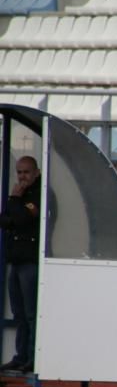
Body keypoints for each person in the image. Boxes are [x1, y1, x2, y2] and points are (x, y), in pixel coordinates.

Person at [0, 156, 43, 373]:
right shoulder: (19, 195)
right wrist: (15, 202)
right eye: (19, 172)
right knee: (18, 313)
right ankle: (20, 355)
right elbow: (6, 220)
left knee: (31, 313)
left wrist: (15, 200)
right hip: (16, 261)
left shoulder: (38, 193)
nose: (22, 177)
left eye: (26, 172)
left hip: (30, 262)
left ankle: (32, 358)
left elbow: (24, 218)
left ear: (36, 172)